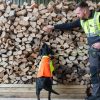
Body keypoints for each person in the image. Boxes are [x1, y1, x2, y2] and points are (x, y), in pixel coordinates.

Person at [43, 1, 100, 100]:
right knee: (94, 72)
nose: (77, 16)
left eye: (78, 13)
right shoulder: (82, 20)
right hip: (93, 51)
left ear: (85, 11)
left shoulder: (98, 16)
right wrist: (53, 27)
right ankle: (97, 96)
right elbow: (69, 25)